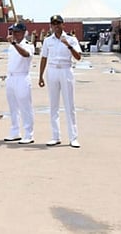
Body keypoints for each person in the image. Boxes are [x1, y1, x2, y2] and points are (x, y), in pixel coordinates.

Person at [38, 14, 82, 148]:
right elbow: (44, 57)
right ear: (51, 26)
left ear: (63, 25)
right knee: (53, 105)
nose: (56, 26)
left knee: (69, 105)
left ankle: (73, 137)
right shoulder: (47, 40)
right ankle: (55, 136)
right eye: (53, 24)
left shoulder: (71, 39)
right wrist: (40, 76)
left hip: (65, 70)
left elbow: (78, 57)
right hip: (52, 71)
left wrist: (68, 45)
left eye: (58, 23)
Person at [4, 22, 34, 144]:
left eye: (17, 32)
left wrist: (14, 44)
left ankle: (28, 134)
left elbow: (26, 54)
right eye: (13, 32)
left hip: (22, 77)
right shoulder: (12, 46)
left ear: (23, 32)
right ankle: (15, 131)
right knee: (13, 107)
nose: (14, 34)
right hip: (11, 77)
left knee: (25, 107)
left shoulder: (27, 45)